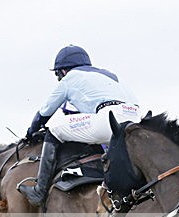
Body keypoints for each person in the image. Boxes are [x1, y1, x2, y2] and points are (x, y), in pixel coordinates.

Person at [18, 44, 141, 207]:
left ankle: (40, 191)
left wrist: (30, 132)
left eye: (58, 74)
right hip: (135, 121)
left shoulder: (70, 78)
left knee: (54, 130)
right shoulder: (109, 75)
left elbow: (44, 113)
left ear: (63, 71)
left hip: (109, 121)